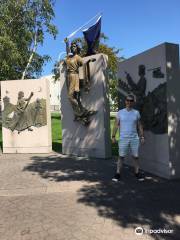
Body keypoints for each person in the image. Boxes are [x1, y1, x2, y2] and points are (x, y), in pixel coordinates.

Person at [111, 94, 145, 181]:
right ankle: (117, 173)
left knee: (136, 157)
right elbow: (115, 125)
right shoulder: (120, 112)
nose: (129, 102)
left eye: (131, 100)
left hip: (134, 138)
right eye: (128, 100)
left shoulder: (136, 113)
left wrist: (142, 137)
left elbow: (140, 125)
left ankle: (137, 173)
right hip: (123, 138)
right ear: (125, 101)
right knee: (121, 156)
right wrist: (113, 136)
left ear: (133, 102)